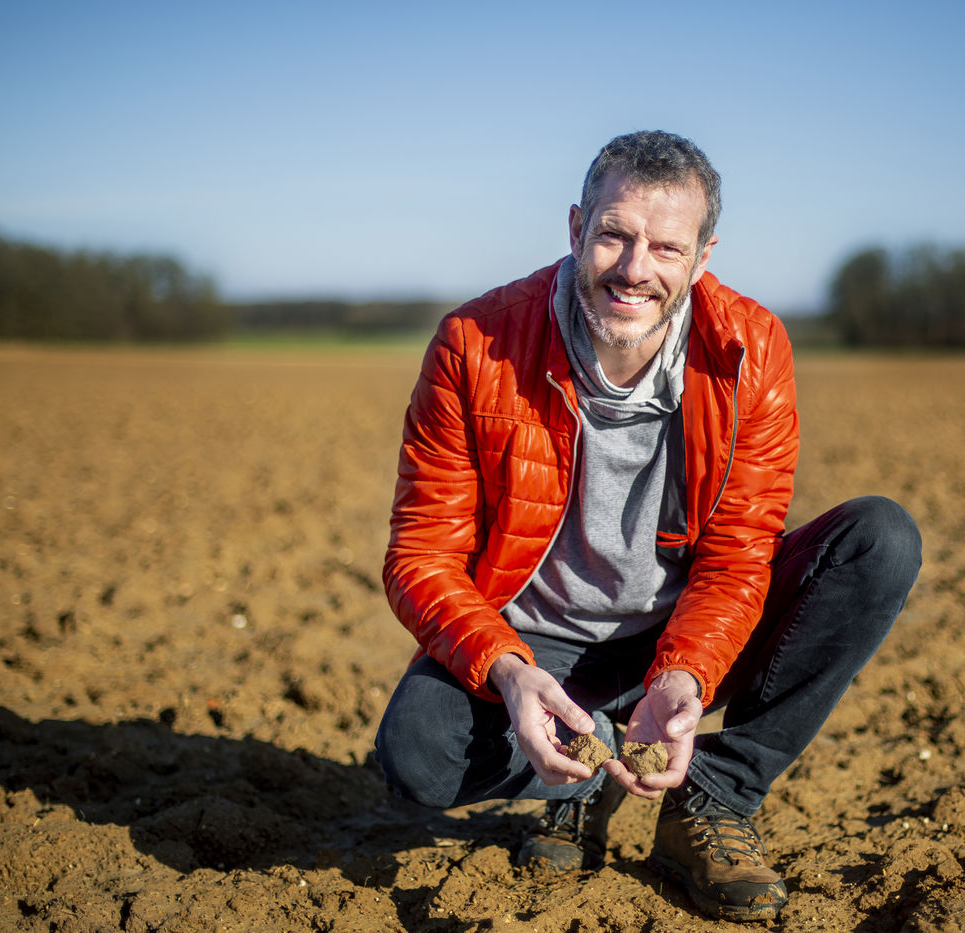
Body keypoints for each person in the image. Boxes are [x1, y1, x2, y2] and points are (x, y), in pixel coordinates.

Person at [374, 130, 921, 922]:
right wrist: (509, 672)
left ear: (702, 257)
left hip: (682, 628)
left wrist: (682, 677)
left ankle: (716, 796)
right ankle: (582, 775)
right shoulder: (474, 344)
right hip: (537, 643)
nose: (635, 268)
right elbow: (421, 554)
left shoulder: (749, 349)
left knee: (881, 540)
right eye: (614, 235)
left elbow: (737, 554)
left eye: (667, 247)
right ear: (576, 229)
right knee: (416, 754)